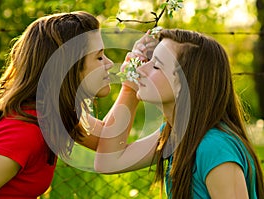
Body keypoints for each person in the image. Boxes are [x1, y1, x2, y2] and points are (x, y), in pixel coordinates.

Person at [94, 29, 264, 198]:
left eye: (155, 65)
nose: (141, 69)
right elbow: (108, 162)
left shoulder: (214, 148)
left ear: (185, 83)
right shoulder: (176, 135)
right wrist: (129, 89)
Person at [0, 11, 114, 198]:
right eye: (99, 57)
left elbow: (109, 142)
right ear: (68, 68)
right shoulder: (24, 132)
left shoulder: (48, 114)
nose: (110, 63)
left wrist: (131, 85)